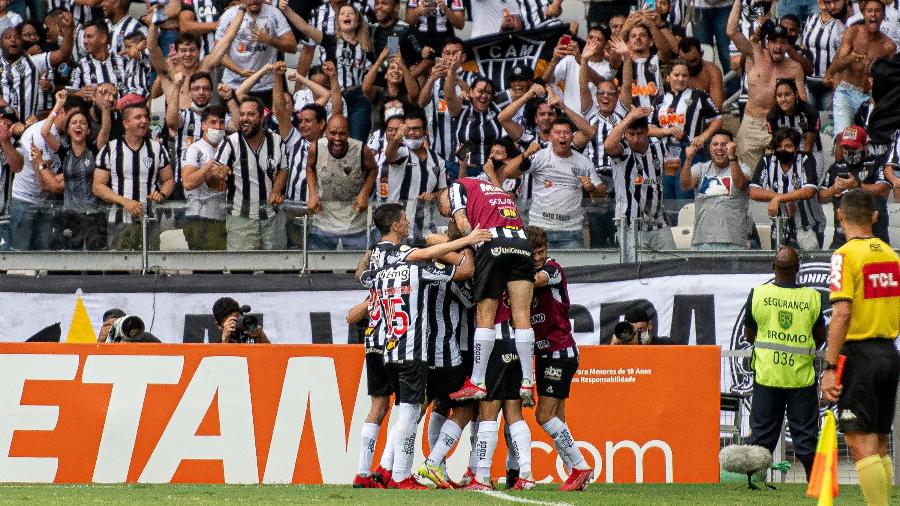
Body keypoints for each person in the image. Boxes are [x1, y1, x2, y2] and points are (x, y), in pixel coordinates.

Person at [371, 234, 474, 489]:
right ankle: (433, 462)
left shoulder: (401, 272)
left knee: (421, 409)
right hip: (446, 355)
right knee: (465, 407)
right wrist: (467, 246)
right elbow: (470, 299)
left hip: (416, 352)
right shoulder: (439, 273)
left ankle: (385, 466)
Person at [821, 189, 900, 506]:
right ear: (875, 217)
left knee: (858, 442)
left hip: (860, 356)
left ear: (839, 216)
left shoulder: (845, 255)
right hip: (888, 353)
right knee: (880, 442)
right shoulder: (891, 255)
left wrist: (829, 368)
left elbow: (841, 313)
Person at [441, 174, 536, 405]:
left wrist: (474, 247)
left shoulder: (456, 187)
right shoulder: (495, 189)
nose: (448, 216)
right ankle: (527, 380)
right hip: (523, 244)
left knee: (485, 316)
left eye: (445, 211)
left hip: (493, 243)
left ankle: (477, 382)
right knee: (522, 315)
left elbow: (463, 224)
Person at [743, 246, 825, 479]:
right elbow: (819, 337)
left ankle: (753, 485)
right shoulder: (811, 297)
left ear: (773, 267)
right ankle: (815, 485)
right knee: (806, 439)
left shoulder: (758, 294)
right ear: (798, 269)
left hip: (768, 376)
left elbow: (750, 335)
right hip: (800, 379)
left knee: (761, 438)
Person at [525, 225, 594, 491]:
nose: (538, 257)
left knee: (543, 416)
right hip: (544, 353)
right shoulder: (529, 272)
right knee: (558, 419)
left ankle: (579, 466)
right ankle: (575, 476)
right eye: (533, 252)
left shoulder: (553, 269)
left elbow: (536, 280)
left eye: (541, 251)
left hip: (560, 351)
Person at [727, 1, 807, 170]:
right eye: (774, 42)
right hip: (751, 124)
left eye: (782, 42)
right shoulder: (754, 54)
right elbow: (731, 32)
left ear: (787, 44)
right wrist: (738, 1)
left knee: (777, 176)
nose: (778, 47)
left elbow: (803, 102)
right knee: (749, 176)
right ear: (767, 43)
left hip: (780, 125)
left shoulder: (794, 67)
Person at [503, 117, 603, 248]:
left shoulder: (584, 163)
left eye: (566, 132)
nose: (562, 136)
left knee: (573, 270)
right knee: (536, 268)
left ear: (572, 137)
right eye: (558, 132)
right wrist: (525, 154)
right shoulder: (540, 156)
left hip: (571, 231)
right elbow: (508, 173)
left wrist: (591, 188)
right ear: (549, 137)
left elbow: (601, 198)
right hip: (539, 230)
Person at [284, 3, 374, 142]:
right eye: (342, 14)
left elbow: (377, 68)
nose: (346, 15)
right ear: (337, 22)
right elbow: (304, 28)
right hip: (334, 96)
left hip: (357, 98)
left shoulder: (366, 45)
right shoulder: (329, 40)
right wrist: (287, 9)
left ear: (357, 21)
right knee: (334, 141)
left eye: (351, 13)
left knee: (357, 144)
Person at [32, 90, 110, 251]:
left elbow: (105, 131)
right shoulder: (64, 151)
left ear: (88, 130)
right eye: (74, 123)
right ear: (68, 130)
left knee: (96, 263)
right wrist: (59, 105)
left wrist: (106, 109)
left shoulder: (94, 149)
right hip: (69, 215)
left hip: (93, 214)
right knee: (66, 263)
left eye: (82, 122)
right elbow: (44, 132)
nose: (78, 125)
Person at [92, 102, 175, 250]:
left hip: (150, 220)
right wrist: (125, 202)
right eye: (138, 117)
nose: (144, 121)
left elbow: (168, 180)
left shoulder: (157, 149)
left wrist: (161, 194)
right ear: (126, 123)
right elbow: (98, 186)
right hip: (118, 220)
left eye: (145, 117)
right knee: (120, 268)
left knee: (150, 269)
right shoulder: (110, 149)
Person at [212, 96, 289, 251]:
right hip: (241, 219)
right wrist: (216, 173)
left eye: (250, 114)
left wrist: (275, 191)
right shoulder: (230, 142)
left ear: (262, 117)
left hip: (272, 217)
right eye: (242, 114)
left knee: (277, 269)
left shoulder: (276, 140)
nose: (245, 118)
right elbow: (212, 179)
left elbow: (283, 169)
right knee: (241, 271)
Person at [11, 95, 85, 251]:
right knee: (20, 262)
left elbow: (52, 184)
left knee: (42, 259)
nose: (76, 124)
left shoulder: (64, 139)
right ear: (63, 112)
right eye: (73, 117)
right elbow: (44, 184)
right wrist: (56, 106)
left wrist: (43, 166)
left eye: (81, 121)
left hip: (45, 202)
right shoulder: (40, 134)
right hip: (26, 200)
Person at [604, 107, 675, 256]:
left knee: (671, 265)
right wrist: (630, 117)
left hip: (659, 222)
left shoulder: (659, 146)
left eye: (640, 134)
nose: (635, 139)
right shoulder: (623, 150)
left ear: (647, 132)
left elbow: (671, 165)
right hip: (631, 225)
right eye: (631, 134)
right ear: (625, 134)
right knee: (635, 271)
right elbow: (608, 145)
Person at [825, 0, 896, 138]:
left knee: (870, 139)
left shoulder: (889, 46)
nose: (873, 15)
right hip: (847, 91)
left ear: (883, 15)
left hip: (871, 96)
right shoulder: (852, 32)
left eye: (877, 11)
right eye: (869, 11)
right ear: (864, 14)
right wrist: (849, 59)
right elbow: (833, 68)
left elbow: (890, 79)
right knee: (843, 137)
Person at [306, 115, 377, 250]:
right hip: (323, 220)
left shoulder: (361, 149)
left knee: (358, 267)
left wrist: (364, 194)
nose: (337, 138)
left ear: (348, 134)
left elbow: (373, 169)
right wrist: (312, 194)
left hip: (355, 222)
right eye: (332, 133)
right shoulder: (316, 148)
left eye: (342, 133)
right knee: (318, 268)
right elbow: (309, 167)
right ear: (326, 132)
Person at [749, 127, 825, 250]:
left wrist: (779, 199)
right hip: (779, 225)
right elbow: (753, 191)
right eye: (779, 146)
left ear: (796, 148)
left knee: (809, 265)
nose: (782, 150)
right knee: (781, 263)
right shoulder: (767, 161)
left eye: (788, 146)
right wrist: (778, 198)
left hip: (808, 225)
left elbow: (810, 190)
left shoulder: (806, 159)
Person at [380, 109, 447, 244]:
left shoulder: (437, 160)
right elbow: (389, 155)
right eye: (408, 129)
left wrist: (433, 196)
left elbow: (443, 190)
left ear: (425, 131)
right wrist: (396, 139)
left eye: (416, 129)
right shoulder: (402, 151)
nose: (411, 133)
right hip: (398, 229)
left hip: (426, 229)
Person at [818, 126, 892, 247]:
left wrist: (856, 185)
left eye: (853, 147)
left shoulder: (878, 163)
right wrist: (833, 189)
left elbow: (883, 190)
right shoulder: (836, 167)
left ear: (865, 145)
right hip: (842, 240)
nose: (849, 150)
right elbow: (820, 196)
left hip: (873, 239)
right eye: (846, 147)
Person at [681, 129, 752, 249]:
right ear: (709, 148)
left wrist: (732, 158)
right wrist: (688, 159)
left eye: (724, 144)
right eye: (715, 144)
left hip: (734, 242)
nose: (719, 148)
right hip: (702, 242)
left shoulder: (743, 168)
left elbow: (740, 184)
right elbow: (685, 185)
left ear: (732, 147)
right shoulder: (700, 168)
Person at [216, 0, 296, 106]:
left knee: (268, 122)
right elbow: (218, 52)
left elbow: (292, 46)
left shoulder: (274, 13)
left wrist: (269, 40)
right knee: (236, 121)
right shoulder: (229, 15)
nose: (254, 0)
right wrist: (240, 71)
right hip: (234, 84)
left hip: (266, 86)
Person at [180, 105, 229, 251]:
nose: (218, 127)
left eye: (221, 123)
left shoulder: (227, 148)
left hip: (221, 217)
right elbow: (188, 183)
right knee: (202, 269)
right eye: (213, 122)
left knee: (219, 267)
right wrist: (210, 167)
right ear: (203, 126)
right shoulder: (194, 149)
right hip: (198, 216)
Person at [445, 73, 503, 178]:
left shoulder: (497, 109)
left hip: (489, 170)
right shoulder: (461, 107)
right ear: (471, 92)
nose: (484, 96)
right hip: (459, 168)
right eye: (480, 91)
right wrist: (452, 71)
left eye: (489, 93)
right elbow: (449, 98)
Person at [766, 79, 825, 179]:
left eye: (787, 94)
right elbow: (777, 143)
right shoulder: (772, 116)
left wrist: (799, 168)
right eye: (779, 95)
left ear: (796, 94)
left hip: (811, 152)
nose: (783, 99)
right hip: (785, 152)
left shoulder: (811, 113)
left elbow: (808, 147)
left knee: (809, 183)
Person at [800, 0, 849, 115]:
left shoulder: (840, 25)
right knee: (809, 120)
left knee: (826, 124)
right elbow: (803, 47)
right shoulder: (810, 19)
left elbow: (842, 57)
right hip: (809, 81)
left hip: (829, 84)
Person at [677, 37, 725, 110]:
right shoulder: (675, 71)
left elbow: (716, 107)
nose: (688, 66)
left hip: (703, 116)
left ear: (701, 54)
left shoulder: (712, 72)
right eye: (684, 62)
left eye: (693, 61)